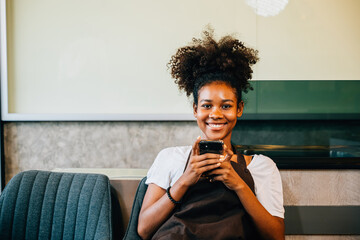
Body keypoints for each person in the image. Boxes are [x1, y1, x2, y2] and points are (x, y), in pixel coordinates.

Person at [138, 29, 285, 240]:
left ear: (239, 109)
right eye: (207, 105)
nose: (215, 114)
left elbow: (276, 237)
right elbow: (143, 230)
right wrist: (186, 179)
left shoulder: (261, 167)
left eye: (226, 106)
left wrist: (237, 183)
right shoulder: (171, 158)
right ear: (195, 109)